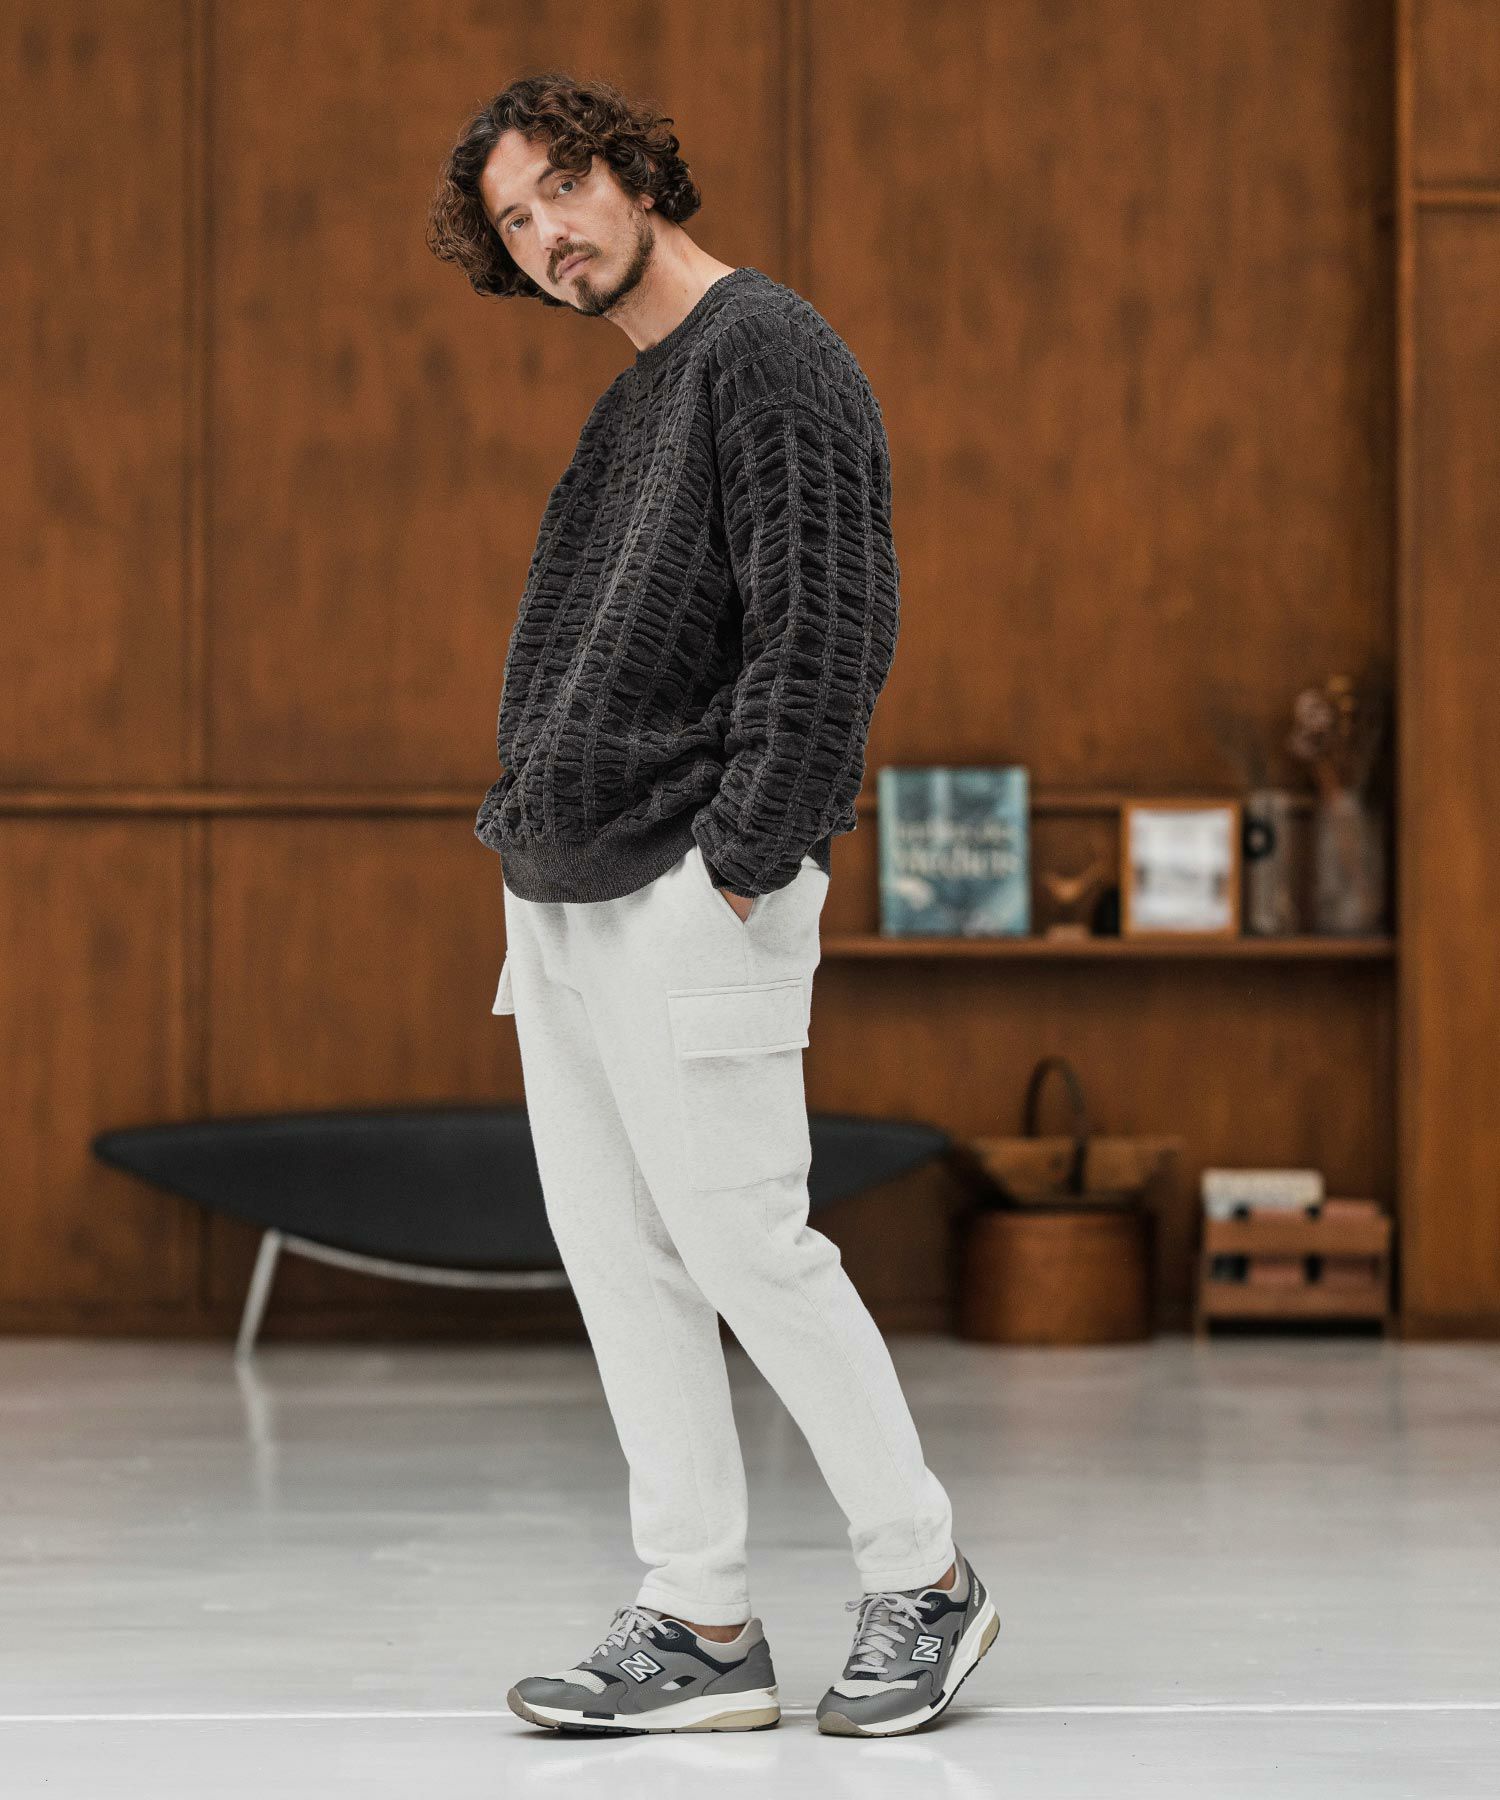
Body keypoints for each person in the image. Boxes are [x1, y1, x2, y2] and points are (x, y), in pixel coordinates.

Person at [427, 69, 999, 1738]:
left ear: (632, 169)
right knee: (624, 1264)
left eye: (562, 188)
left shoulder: (769, 350)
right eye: (513, 222)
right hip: (565, 889)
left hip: (691, 878)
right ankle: (698, 1619)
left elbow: (832, 627)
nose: (547, 235)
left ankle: (926, 1579)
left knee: (749, 1243)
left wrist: (748, 860)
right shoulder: (638, 395)